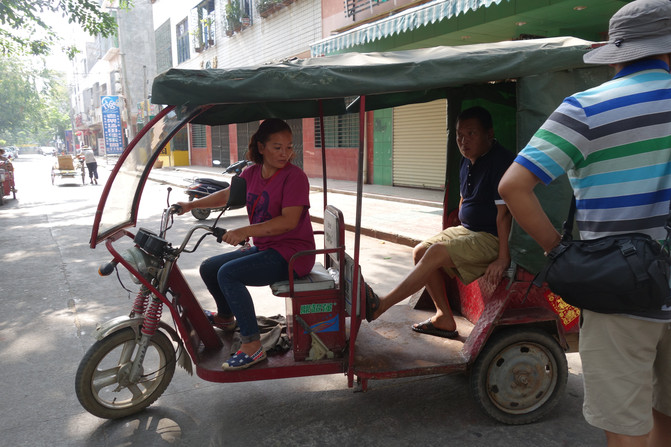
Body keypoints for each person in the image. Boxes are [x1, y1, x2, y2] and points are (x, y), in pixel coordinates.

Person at [498, 1, 671, 445]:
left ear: (616, 53)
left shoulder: (585, 108)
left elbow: (514, 186)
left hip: (618, 295)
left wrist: (558, 250)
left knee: (626, 427)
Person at [176, 118, 315, 370]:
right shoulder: (251, 173)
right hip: (267, 248)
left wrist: (243, 231)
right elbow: (228, 195)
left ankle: (252, 346)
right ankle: (226, 317)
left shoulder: (295, 177)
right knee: (209, 267)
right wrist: (191, 205)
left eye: (289, 146)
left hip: (293, 253)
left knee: (229, 273)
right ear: (261, 147)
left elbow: (288, 222)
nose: (285, 153)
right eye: (277, 147)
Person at [366, 106, 514, 338]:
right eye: (459, 135)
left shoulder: (501, 161)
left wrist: (503, 258)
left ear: (489, 133)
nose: (463, 141)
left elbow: (504, 214)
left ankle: (382, 305)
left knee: (434, 252)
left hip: (491, 237)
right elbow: (465, 199)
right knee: (420, 251)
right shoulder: (466, 161)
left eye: (471, 134)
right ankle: (443, 317)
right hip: (468, 231)